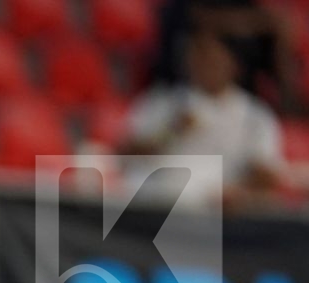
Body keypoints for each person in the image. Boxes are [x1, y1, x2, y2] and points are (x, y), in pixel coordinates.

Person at [120, 30, 284, 203]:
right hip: (158, 205)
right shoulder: (163, 102)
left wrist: (239, 190)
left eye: (211, 58)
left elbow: (268, 174)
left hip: (218, 211)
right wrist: (171, 131)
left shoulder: (254, 116)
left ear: (233, 64)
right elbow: (125, 154)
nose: (202, 65)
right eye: (197, 56)